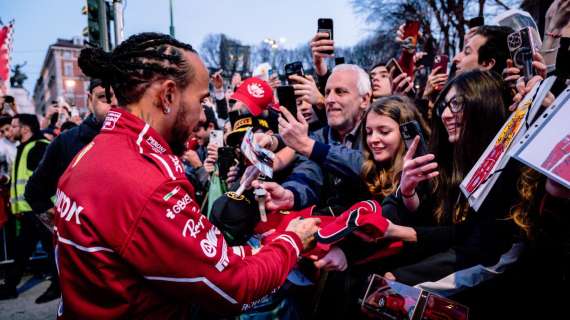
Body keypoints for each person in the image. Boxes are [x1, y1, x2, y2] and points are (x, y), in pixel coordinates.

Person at [55, 32, 320, 318]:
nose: (201, 115)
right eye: (201, 100)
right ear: (168, 95)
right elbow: (233, 285)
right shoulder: (146, 181)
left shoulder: (96, 150)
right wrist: (291, 242)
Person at [381, 71, 521, 298]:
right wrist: (407, 192)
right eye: (443, 106)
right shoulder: (449, 162)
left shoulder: (507, 169)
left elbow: (482, 252)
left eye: (456, 104)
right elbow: (439, 226)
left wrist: (403, 279)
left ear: (484, 103)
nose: (446, 114)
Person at [278, 63, 372, 213]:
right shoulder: (319, 137)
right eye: (327, 93)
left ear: (364, 100)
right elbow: (308, 173)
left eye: (340, 92)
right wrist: (289, 195)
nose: (329, 100)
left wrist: (310, 147)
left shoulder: (376, 131)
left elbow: (368, 166)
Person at [25, 80, 117, 217]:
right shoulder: (66, 142)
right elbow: (35, 194)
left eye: (124, 95)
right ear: (90, 101)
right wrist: (66, 228)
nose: (114, 103)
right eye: (104, 97)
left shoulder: (149, 138)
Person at [0, 114, 56, 303]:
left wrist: (46, 208)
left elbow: (47, 180)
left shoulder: (39, 147)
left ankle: (58, 286)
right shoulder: (25, 148)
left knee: (51, 249)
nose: (11, 129)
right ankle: (10, 287)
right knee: (21, 250)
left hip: (41, 210)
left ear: (25, 129)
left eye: (14, 126)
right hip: (30, 210)